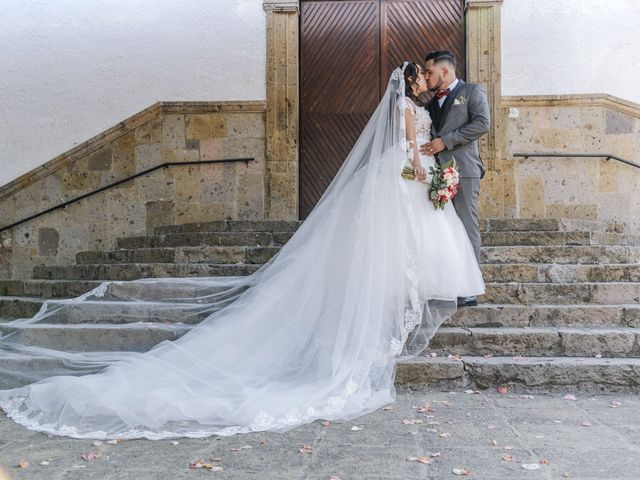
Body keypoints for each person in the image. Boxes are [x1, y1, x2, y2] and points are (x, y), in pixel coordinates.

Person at [0, 62, 484, 440]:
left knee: (414, 236)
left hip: (414, 176)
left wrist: (430, 165)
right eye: (420, 75)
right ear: (410, 81)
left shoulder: (431, 104)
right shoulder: (406, 107)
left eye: (426, 74)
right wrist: (423, 167)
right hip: (406, 172)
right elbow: (409, 144)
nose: (424, 78)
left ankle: (408, 285)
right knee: (394, 235)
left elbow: (439, 135)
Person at [420, 51, 490, 308]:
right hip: (436, 174)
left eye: (429, 71)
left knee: (465, 225)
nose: (427, 76)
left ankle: (469, 288)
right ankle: (447, 282)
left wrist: (445, 142)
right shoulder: (429, 104)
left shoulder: (472, 92)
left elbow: (482, 124)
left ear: (445, 71)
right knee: (444, 230)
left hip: (464, 169)